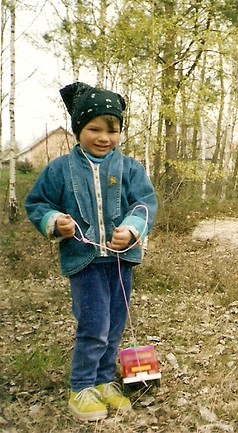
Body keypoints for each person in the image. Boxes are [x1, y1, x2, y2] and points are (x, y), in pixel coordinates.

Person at [24, 82, 158, 421]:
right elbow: (37, 203)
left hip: (119, 262)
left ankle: (102, 381)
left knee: (114, 323)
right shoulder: (60, 170)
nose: (103, 138)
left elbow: (145, 203)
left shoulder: (129, 169)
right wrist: (55, 221)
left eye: (112, 130)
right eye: (94, 129)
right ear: (78, 130)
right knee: (94, 324)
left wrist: (131, 229)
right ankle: (81, 386)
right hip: (84, 261)